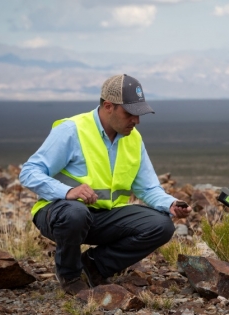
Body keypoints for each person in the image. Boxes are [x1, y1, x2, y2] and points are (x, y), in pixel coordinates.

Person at [19, 74, 191, 295]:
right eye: (130, 114)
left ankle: (94, 265)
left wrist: (171, 204)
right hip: (60, 214)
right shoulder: (72, 130)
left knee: (161, 225)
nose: (136, 121)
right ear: (108, 106)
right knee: (75, 213)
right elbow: (29, 172)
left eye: (139, 115)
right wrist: (68, 191)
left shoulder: (133, 138)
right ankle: (70, 276)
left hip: (102, 218)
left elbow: (148, 188)